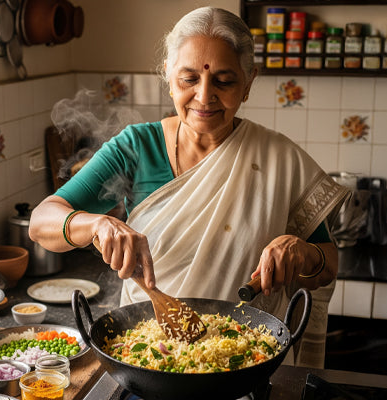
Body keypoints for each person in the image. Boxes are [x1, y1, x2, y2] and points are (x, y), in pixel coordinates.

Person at [29, 6, 349, 367]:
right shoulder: (137, 147)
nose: (204, 96)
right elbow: (42, 222)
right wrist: (96, 224)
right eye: (189, 79)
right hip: (145, 355)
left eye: (224, 81)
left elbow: (328, 264)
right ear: (168, 75)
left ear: (249, 83)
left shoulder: (279, 159)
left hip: (245, 360)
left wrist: (302, 253)